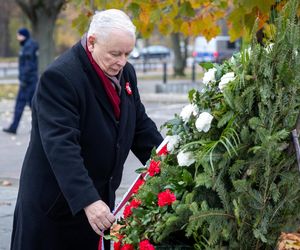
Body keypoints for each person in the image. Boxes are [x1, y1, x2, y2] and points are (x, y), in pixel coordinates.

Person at [10, 9, 163, 250]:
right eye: (115, 53)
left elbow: (140, 127)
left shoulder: (125, 73)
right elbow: (62, 146)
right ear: (92, 42)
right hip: (57, 210)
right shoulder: (60, 77)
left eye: (127, 54)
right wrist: (88, 200)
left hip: (97, 205)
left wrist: (168, 165)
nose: (122, 61)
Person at [3, 28, 39, 134]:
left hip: (28, 82)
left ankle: (15, 127)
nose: (17, 38)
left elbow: (29, 66)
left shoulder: (28, 47)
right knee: (32, 105)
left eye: (19, 35)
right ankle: (36, 128)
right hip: (30, 81)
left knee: (21, 104)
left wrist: (24, 79)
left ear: (24, 36)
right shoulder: (28, 45)